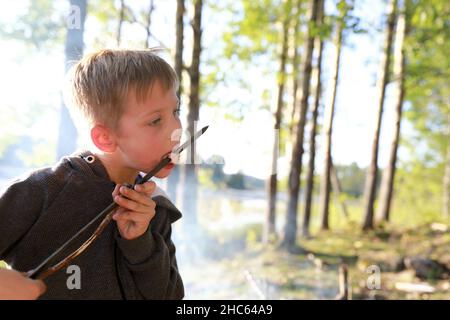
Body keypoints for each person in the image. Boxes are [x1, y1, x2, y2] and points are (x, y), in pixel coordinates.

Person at [0, 49, 184, 299]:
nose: (177, 129)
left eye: (176, 112)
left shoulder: (154, 209)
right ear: (105, 137)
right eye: (155, 120)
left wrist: (141, 242)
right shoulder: (43, 189)